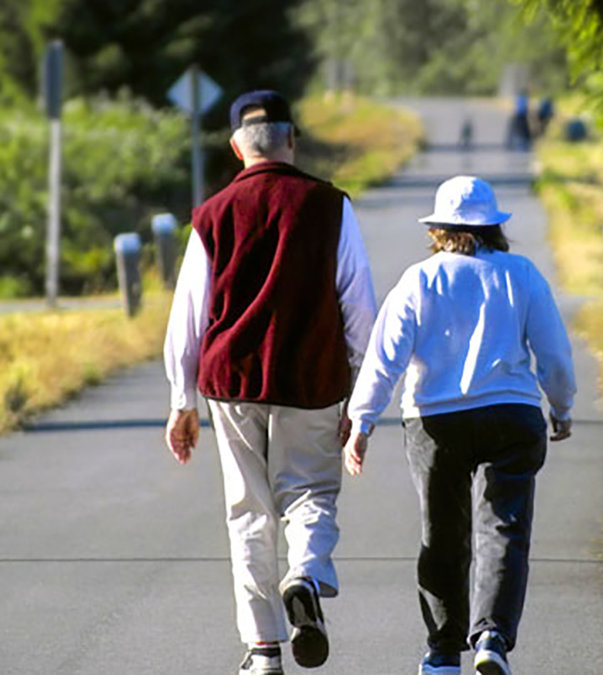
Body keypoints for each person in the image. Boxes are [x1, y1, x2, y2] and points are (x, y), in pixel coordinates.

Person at [163, 90, 377, 675]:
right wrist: (363, 395)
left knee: (248, 510)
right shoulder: (330, 206)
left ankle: (263, 651)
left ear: (237, 147)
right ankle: (304, 573)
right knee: (309, 492)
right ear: (291, 139)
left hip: (231, 382)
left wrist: (181, 401)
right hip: (311, 377)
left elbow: (188, 313)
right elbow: (358, 306)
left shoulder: (212, 214)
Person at [343, 176, 576, 675]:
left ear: (438, 229)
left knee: (442, 534)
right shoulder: (521, 274)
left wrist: (361, 421)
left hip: (435, 422)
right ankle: (491, 637)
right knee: (503, 527)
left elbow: (385, 358)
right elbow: (553, 353)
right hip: (511, 415)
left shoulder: (419, 279)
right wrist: (562, 406)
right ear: (494, 227)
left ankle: (444, 651)